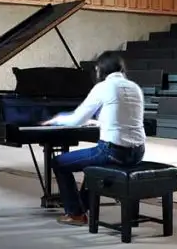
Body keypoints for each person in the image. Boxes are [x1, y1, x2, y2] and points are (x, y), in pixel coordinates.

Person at [42, 50, 146, 226]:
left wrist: (57, 119)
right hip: (137, 152)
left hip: (113, 152)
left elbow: (76, 119)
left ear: (100, 69)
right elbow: (124, 117)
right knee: (90, 162)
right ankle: (82, 207)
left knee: (59, 163)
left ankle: (75, 214)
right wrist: (98, 123)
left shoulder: (103, 87)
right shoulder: (134, 87)